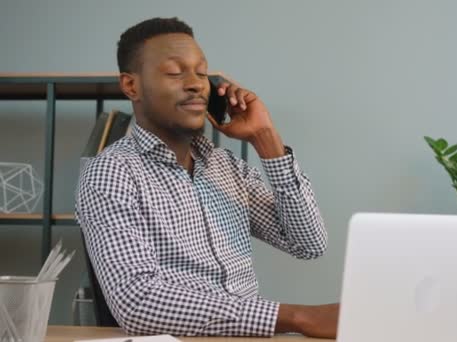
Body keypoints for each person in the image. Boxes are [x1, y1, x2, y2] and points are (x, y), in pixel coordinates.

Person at [75, 17, 338, 338]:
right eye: (175, 72)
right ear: (132, 86)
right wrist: (297, 316)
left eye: (201, 72)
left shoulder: (225, 167)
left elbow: (308, 243)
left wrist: (266, 139)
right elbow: (138, 301)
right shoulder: (112, 173)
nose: (196, 84)